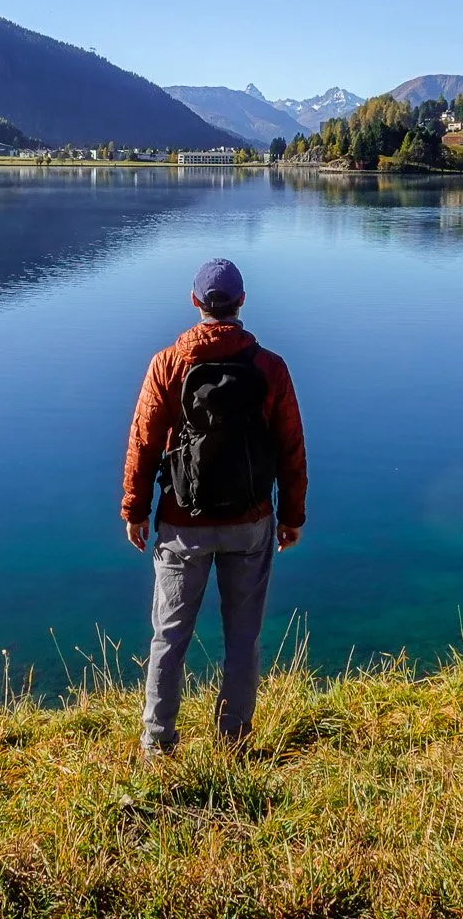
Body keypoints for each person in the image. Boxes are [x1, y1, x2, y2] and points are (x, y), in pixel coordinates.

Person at [122, 257, 307, 755]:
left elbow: (144, 441)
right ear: (241, 302)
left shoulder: (169, 363)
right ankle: (234, 745)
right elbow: (291, 447)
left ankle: (158, 745)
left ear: (196, 303)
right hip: (250, 522)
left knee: (170, 636)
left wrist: (135, 509)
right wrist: (291, 517)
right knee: (242, 640)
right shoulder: (269, 366)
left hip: (184, 524)